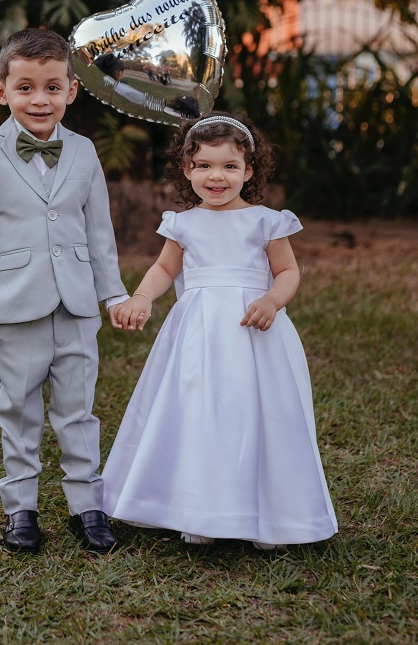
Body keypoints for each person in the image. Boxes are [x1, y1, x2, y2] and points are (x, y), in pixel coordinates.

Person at [104, 111, 338, 549]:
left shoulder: (266, 221)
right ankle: (200, 510)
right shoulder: (183, 223)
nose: (217, 176)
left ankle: (273, 518)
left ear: (248, 171)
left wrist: (272, 300)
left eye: (230, 166)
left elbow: (287, 271)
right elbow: (164, 268)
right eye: (204, 165)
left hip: (255, 334)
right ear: (186, 169)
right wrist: (141, 297)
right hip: (199, 337)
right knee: (200, 415)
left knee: (262, 417)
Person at [0, 28, 127, 555]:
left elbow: (99, 232)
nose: (39, 99)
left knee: (78, 410)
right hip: (14, 304)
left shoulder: (84, 151)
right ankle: (21, 510)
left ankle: (87, 507)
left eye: (52, 87)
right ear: (2, 91)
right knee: (19, 410)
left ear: (71, 91)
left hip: (77, 304)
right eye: (25, 87)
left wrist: (113, 294)